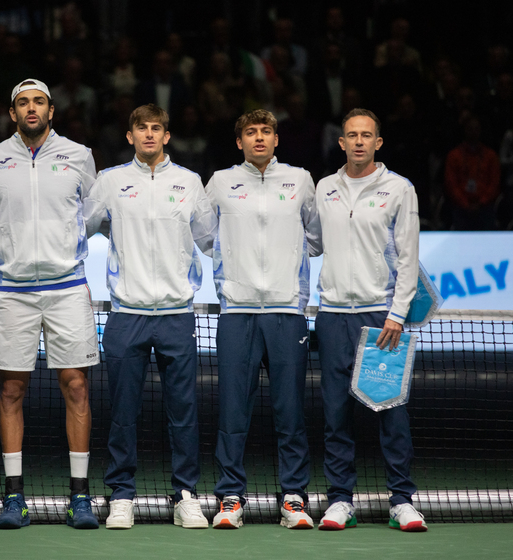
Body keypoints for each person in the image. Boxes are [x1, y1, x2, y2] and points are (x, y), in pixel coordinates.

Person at [83, 104, 217, 530]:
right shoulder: (110, 181)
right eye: (141, 128)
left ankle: (186, 496)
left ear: (166, 135)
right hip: (127, 314)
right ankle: (121, 496)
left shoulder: (190, 183)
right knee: (122, 411)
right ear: (130, 136)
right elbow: (81, 227)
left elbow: (211, 241)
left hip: (178, 313)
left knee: (184, 412)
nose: (148, 135)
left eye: (156, 128)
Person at [0, 79, 100, 529]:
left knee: (77, 387)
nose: (32, 108)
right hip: (12, 292)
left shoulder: (79, 156)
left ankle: (80, 497)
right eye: (23, 103)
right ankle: (14, 498)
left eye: (39, 102)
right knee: (10, 391)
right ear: (12, 113)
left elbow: (96, 212)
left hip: (68, 288)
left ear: (52, 110)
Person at [312, 108, 427, 532]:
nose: (359, 141)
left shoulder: (399, 189)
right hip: (332, 314)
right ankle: (340, 499)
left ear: (379, 142)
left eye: (367, 135)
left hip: (381, 316)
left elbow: (409, 256)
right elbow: (310, 242)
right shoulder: (324, 188)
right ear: (341, 142)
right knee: (335, 413)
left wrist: (397, 314)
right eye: (351, 135)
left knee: (391, 411)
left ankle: (402, 501)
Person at [204, 109, 319, 529]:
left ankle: (293, 499)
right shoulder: (219, 182)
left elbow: (318, 236)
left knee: (291, 413)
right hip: (237, 311)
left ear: (276, 139)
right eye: (250, 132)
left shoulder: (301, 180)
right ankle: (230, 498)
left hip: (288, 311)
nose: (258, 138)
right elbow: (203, 234)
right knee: (233, 412)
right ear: (239, 142)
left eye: (265, 131)